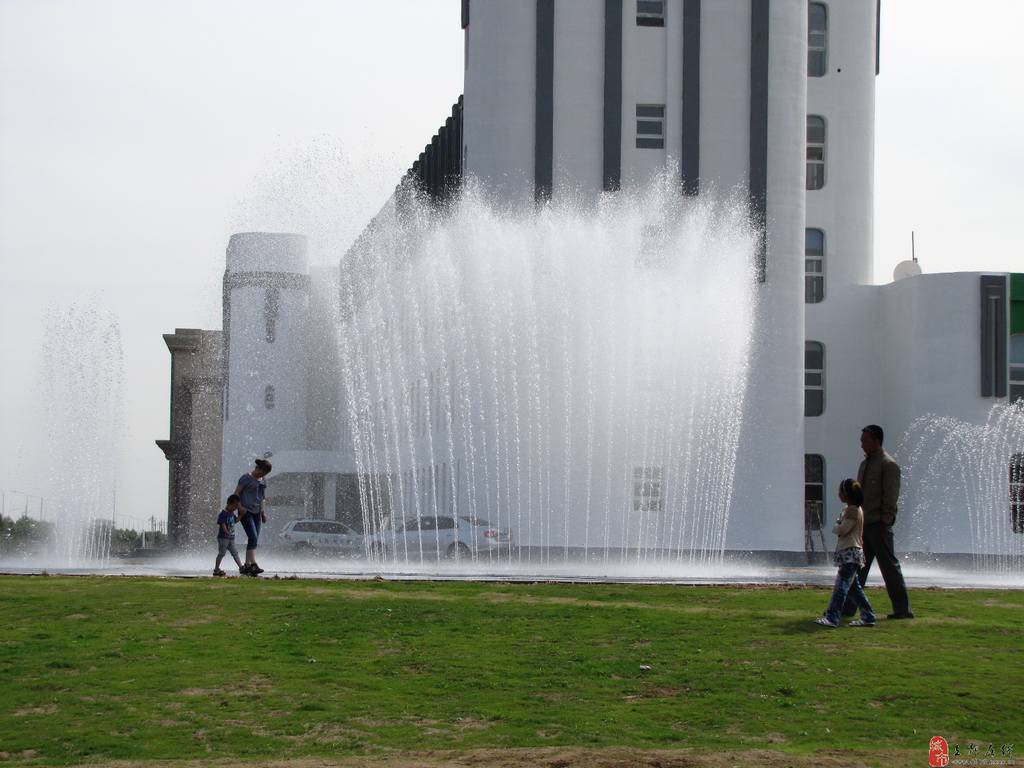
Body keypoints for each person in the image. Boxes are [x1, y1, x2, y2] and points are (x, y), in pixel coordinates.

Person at [842, 425, 914, 619]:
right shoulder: (865, 464)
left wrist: (885, 520)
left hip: (879, 525)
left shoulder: (888, 464)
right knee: (856, 568)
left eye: (864, 440)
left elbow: (890, 496)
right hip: (864, 526)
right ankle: (847, 608)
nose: (861, 444)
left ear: (875, 441)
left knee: (889, 568)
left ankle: (902, 610)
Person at [814, 479, 876, 628]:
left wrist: (837, 524)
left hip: (850, 552)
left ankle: (832, 617)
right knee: (854, 588)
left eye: (841, 492)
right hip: (852, 552)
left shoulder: (852, 510)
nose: (839, 494)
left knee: (840, 588)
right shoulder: (853, 509)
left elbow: (842, 529)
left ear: (847, 495)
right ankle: (868, 616)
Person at [235, 458, 272, 576]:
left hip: (257, 513)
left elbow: (262, 497)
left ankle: (247, 565)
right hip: (246, 512)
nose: (263, 475)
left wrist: (263, 512)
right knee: (253, 536)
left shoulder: (263, 480)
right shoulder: (246, 478)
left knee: (253, 539)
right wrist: (240, 507)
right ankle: (254, 564)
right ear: (258, 468)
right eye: (263, 472)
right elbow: (236, 493)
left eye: (265, 474)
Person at [213, 494, 246, 576]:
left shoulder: (231, 514)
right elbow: (222, 523)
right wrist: (226, 531)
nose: (235, 509)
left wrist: (241, 515)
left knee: (235, 552)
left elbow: (235, 521)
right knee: (222, 553)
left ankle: (241, 567)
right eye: (234, 506)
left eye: (236, 507)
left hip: (231, 538)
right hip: (223, 537)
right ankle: (216, 569)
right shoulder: (223, 513)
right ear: (228, 503)